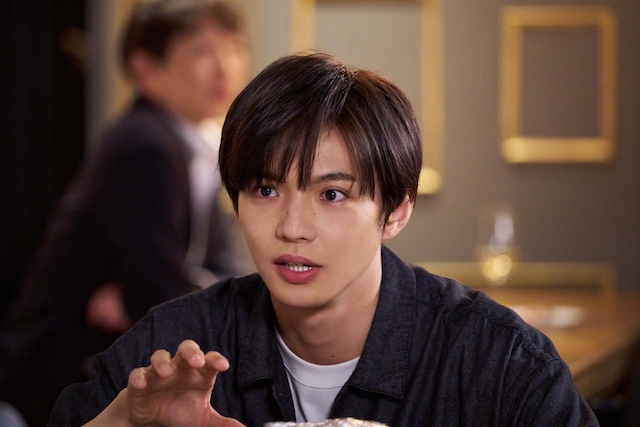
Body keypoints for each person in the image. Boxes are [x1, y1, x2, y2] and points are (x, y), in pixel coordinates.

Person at [49, 52, 598, 426]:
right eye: (265, 189)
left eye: (332, 194)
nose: (292, 227)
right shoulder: (172, 348)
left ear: (396, 211)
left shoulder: (495, 362)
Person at [0, 1, 251, 425]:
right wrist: (143, 291)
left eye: (234, 47)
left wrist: (141, 290)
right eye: (203, 52)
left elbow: (219, 268)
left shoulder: (197, 141)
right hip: (61, 380)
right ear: (145, 68)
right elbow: (159, 290)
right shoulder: (144, 146)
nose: (225, 66)